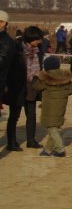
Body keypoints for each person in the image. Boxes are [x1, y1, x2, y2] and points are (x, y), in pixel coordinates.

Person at [33, 56, 72, 157]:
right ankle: (47, 150)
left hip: (49, 106)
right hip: (61, 105)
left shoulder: (46, 77)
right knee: (55, 127)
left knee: (52, 128)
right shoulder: (65, 76)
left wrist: (35, 78)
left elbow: (36, 87)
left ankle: (60, 150)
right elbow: (71, 90)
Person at [1, 11, 29, 151]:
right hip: (8, 81)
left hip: (7, 82)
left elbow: (3, 62)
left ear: (5, 23)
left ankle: (11, 141)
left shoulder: (7, 41)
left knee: (14, 115)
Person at [17, 26, 45, 149]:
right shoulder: (18, 49)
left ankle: (31, 141)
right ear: (30, 38)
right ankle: (12, 141)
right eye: (37, 39)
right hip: (19, 85)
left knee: (31, 115)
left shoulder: (39, 50)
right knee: (15, 115)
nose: (39, 41)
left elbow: (40, 66)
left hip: (32, 85)